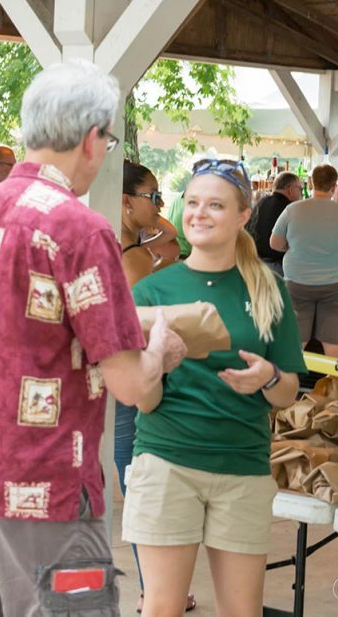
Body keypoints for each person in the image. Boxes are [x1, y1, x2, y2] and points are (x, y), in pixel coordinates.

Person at [0, 58, 186, 615]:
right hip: (49, 489)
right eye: (110, 141)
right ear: (93, 139)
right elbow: (130, 385)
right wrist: (160, 352)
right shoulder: (81, 228)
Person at [123, 157, 306, 615]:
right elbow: (141, 398)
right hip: (167, 463)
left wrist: (267, 378)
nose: (199, 213)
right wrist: (154, 363)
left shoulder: (269, 289)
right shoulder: (151, 292)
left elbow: (288, 392)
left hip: (243, 467)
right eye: (193, 202)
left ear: (243, 215)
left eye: (216, 205)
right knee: (162, 606)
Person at [117, 160, 193, 612]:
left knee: (135, 487)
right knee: (145, 491)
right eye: (153, 195)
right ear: (125, 200)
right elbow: (174, 239)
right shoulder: (136, 259)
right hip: (136, 380)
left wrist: (141, 209)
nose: (161, 205)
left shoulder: (111, 247)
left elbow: (170, 237)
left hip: (106, 379)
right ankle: (158, 590)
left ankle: (157, 588)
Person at [270, 164, 338, 359]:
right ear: (335, 186)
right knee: (334, 343)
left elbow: (275, 243)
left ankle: (287, 388)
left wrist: (294, 247)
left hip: (297, 283)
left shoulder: (292, 210)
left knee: (295, 342)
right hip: (336, 285)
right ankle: (337, 388)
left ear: (311, 182)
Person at [251, 171, 303, 275]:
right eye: (300, 189)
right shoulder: (290, 209)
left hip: (254, 263)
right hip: (278, 267)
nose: (301, 193)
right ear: (291, 189)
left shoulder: (261, 202)